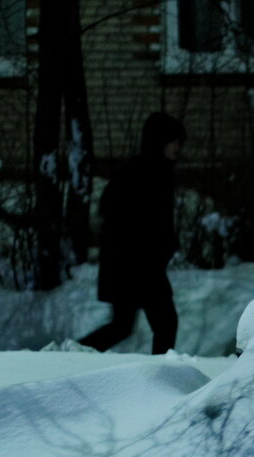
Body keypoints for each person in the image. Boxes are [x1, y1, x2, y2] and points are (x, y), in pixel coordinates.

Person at [80, 111, 186, 355]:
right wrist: (150, 246)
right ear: (161, 140)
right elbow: (116, 211)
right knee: (165, 323)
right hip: (136, 264)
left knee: (125, 326)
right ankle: (161, 377)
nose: (178, 147)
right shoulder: (146, 171)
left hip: (133, 264)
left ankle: (72, 354)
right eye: (174, 141)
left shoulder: (152, 170)